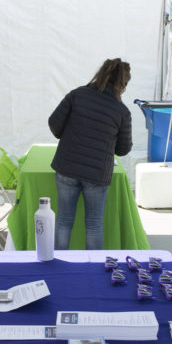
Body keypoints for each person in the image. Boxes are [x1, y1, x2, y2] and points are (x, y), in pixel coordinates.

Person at [48, 58, 133, 250]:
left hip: (67, 166)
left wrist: (67, 134)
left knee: (63, 220)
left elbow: (54, 124)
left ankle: (60, 265)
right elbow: (123, 149)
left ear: (101, 73)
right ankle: (92, 270)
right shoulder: (121, 111)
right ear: (123, 83)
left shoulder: (77, 95)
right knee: (94, 224)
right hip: (96, 174)